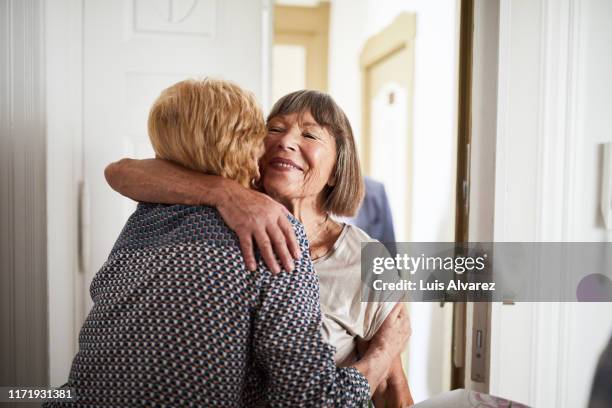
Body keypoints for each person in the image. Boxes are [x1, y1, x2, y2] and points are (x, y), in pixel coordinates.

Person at [45, 79, 409, 407]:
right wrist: (224, 193)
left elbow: (394, 392)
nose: (285, 140)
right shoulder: (196, 210)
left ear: (338, 166)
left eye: (310, 135)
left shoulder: (365, 260)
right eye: (274, 129)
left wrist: (384, 350)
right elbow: (120, 170)